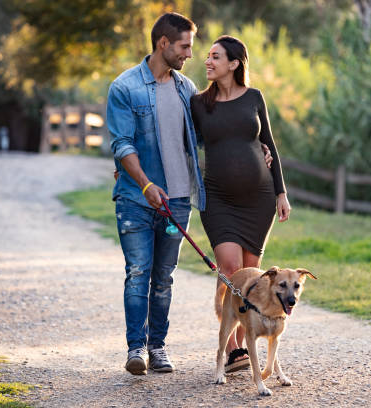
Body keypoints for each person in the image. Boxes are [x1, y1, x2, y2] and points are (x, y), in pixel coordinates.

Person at [107, 14, 272, 376]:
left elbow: (211, 133)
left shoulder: (186, 89)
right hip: (138, 199)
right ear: (163, 44)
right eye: (185, 47)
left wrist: (252, 150)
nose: (191, 55)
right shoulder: (124, 87)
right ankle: (137, 349)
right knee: (139, 271)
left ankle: (159, 348)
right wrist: (142, 180)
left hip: (178, 200)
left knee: (164, 277)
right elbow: (122, 143)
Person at [190, 35, 291, 373]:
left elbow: (269, 145)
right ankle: (232, 348)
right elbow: (185, 145)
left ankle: (249, 339)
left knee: (253, 277)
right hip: (218, 200)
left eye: (215, 57)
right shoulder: (199, 104)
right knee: (229, 272)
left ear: (233, 63)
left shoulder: (254, 98)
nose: (208, 61)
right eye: (207, 56)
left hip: (257, 201)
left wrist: (281, 192)